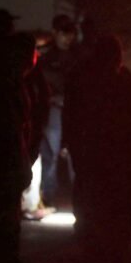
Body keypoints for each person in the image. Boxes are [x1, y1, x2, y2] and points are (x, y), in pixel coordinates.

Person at [63, 35, 131, 263]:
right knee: (115, 239)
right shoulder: (122, 84)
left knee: (95, 237)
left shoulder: (80, 81)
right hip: (114, 171)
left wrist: (79, 160)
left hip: (93, 170)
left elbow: (70, 125)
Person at [39, 14, 78, 207]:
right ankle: (49, 195)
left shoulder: (78, 55)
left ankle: (78, 196)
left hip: (74, 107)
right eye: (64, 33)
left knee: (75, 151)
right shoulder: (45, 56)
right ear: (55, 32)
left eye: (70, 33)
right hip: (53, 108)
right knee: (50, 152)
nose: (68, 37)